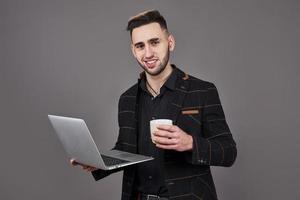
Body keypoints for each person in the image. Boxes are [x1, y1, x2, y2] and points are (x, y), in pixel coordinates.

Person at [71, 10, 237, 200]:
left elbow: (229, 152)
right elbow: (126, 149)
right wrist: (100, 163)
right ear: (133, 50)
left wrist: (190, 143)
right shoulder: (127, 98)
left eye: (155, 42)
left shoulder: (203, 91)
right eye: (140, 46)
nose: (148, 53)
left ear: (170, 43)